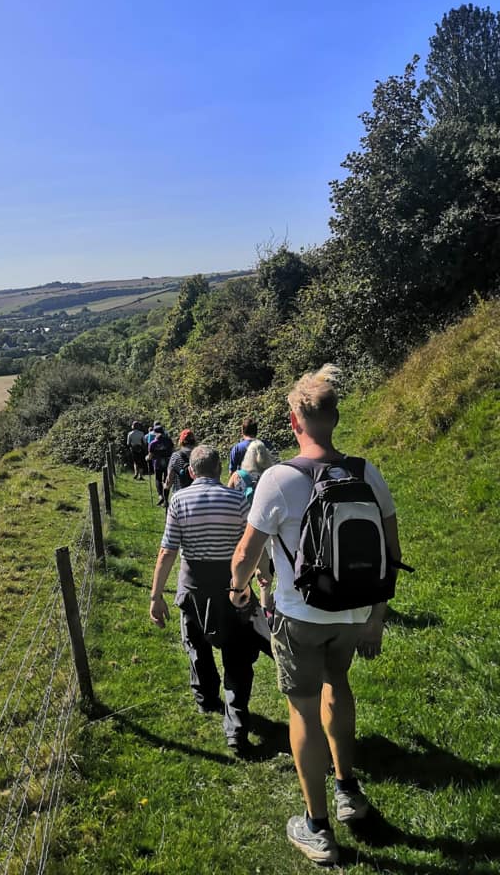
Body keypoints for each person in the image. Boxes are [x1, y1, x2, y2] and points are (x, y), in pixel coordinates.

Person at [229, 365, 401, 865]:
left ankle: (317, 827)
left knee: (301, 706)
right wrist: (375, 618)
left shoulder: (278, 479)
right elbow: (391, 553)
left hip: (300, 614)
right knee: (337, 687)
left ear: (293, 422)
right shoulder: (368, 473)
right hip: (351, 613)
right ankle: (348, 790)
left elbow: (244, 556)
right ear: (336, 417)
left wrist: (238, 590)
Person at [149, 445, 264, 752]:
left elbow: (168, 551)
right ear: (219, 470)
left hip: (193, 587)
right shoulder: (238, 500)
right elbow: (250, 547)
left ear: (190, 471)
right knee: (237, 656)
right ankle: (237, 727)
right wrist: (261, 578)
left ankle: (206, 698)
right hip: (231, 587)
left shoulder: (178, 500)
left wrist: (156, 595)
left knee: (197, 645)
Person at [164, 428, 196, 498]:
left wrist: (166, 489)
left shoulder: (176, 456)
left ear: (181, 441)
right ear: (194, 441)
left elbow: (170, 478)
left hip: (180, 495)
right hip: (197, 494)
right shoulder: (199, 454)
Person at [147, 423, 173, 507]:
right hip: (167, 462)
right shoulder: (169, 441)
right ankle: (166, 500)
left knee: (158, 479)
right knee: (166, 480)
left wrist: (147, 458)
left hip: (157, 463)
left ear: (155, 433)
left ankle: (160, 496)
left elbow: (150, 456)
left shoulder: (153, 443)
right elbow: (172, 451)